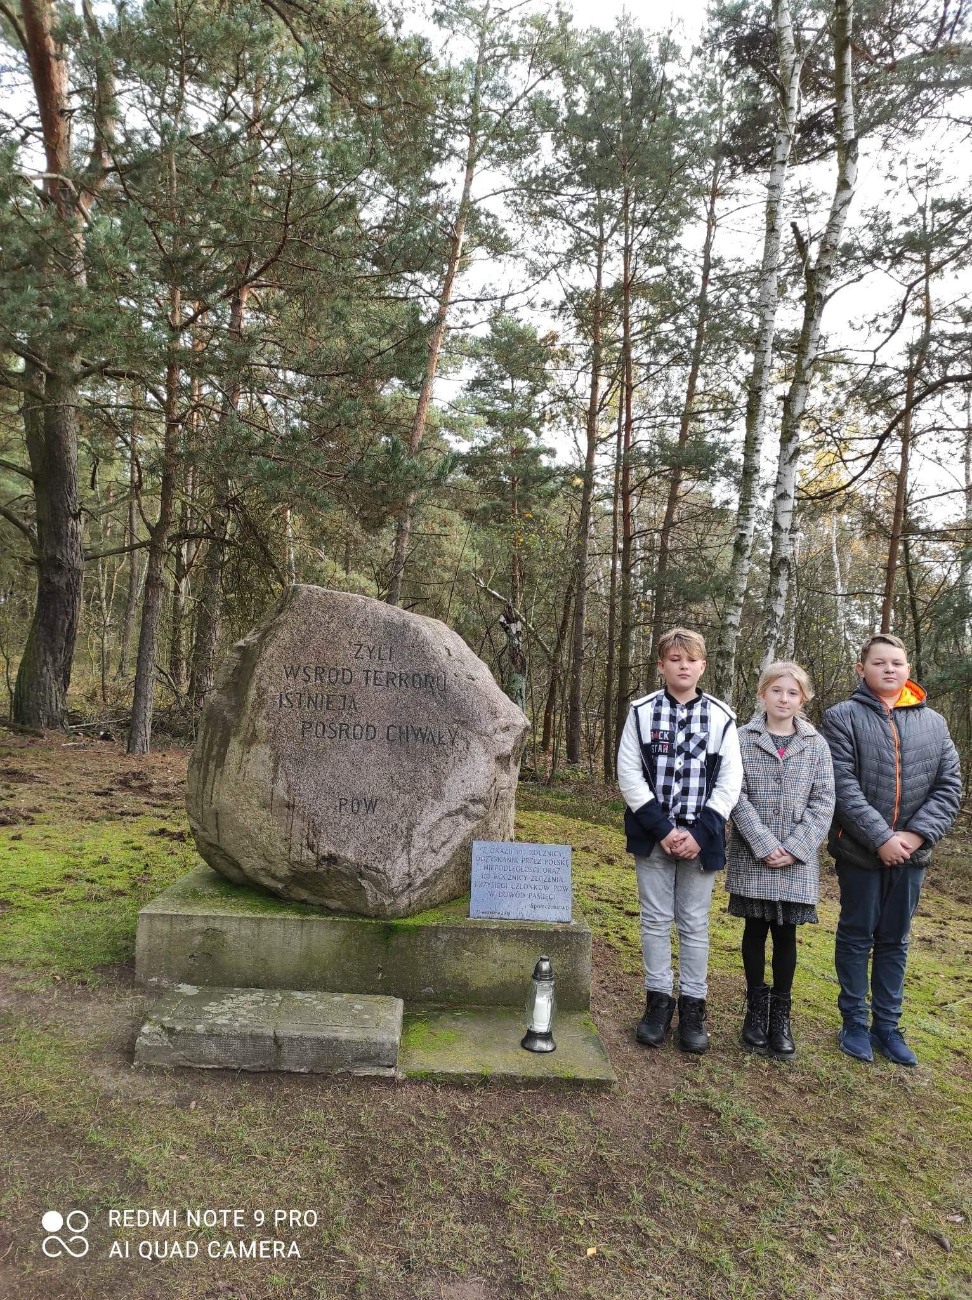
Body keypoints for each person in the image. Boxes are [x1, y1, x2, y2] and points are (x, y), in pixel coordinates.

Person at [820, 633, 962, 1066]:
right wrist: (881, 838)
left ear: (907, 670)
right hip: (860, 853)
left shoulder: (934, 723)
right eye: (879, 663)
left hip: (913, 855)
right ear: (862, 669)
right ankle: (854, 1023)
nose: (889, 669)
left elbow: (949, 787)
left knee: (895, 941)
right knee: (857, 935)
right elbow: (841, 786)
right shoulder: (841, 717)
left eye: (897, 663)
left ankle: (888, 1026)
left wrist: (915, 836)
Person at [617, 627, 742, 1054]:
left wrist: (700, 832)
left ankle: (693, 1007)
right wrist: (665, 830)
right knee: (654, 920)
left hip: (701, 839)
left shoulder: (723, 717)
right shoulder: (641, 712)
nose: (683, 665)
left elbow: (729, 782)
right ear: (662, 665)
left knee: (694, 924)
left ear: (702, 666)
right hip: (654, 837)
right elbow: (629, 776)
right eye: (674, 659)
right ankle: (658, 1002)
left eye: (690, 659)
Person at [726, 662, 835, 1059]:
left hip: (797, 861)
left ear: (802, 699)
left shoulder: (816, 743)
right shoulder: (740, 739)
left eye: (792, 693)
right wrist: (763, 843)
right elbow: (734, 794)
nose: (783, 699)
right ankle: (755, 1013)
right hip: (753, 855)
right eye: (776, 691)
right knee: (754, 932)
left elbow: (824, 801)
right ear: (762, 694)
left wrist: (794, 847)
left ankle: (780, 1017)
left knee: (786, 935)